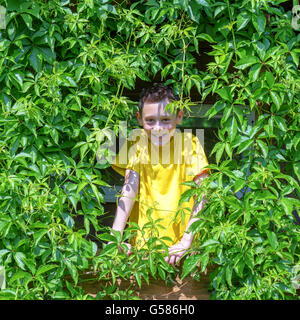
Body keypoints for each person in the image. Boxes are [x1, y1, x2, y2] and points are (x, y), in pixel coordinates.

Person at [107, 83, 209, 266]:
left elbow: (203, 194)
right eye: (150, 121)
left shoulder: (190, 145)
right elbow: (129, 190)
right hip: (144, 246)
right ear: (139, 119)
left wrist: (187, 241)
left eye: (165, 119)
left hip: (184, 248)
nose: (158, 128)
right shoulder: (138, 143)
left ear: (179, 116)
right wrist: (116, 236)